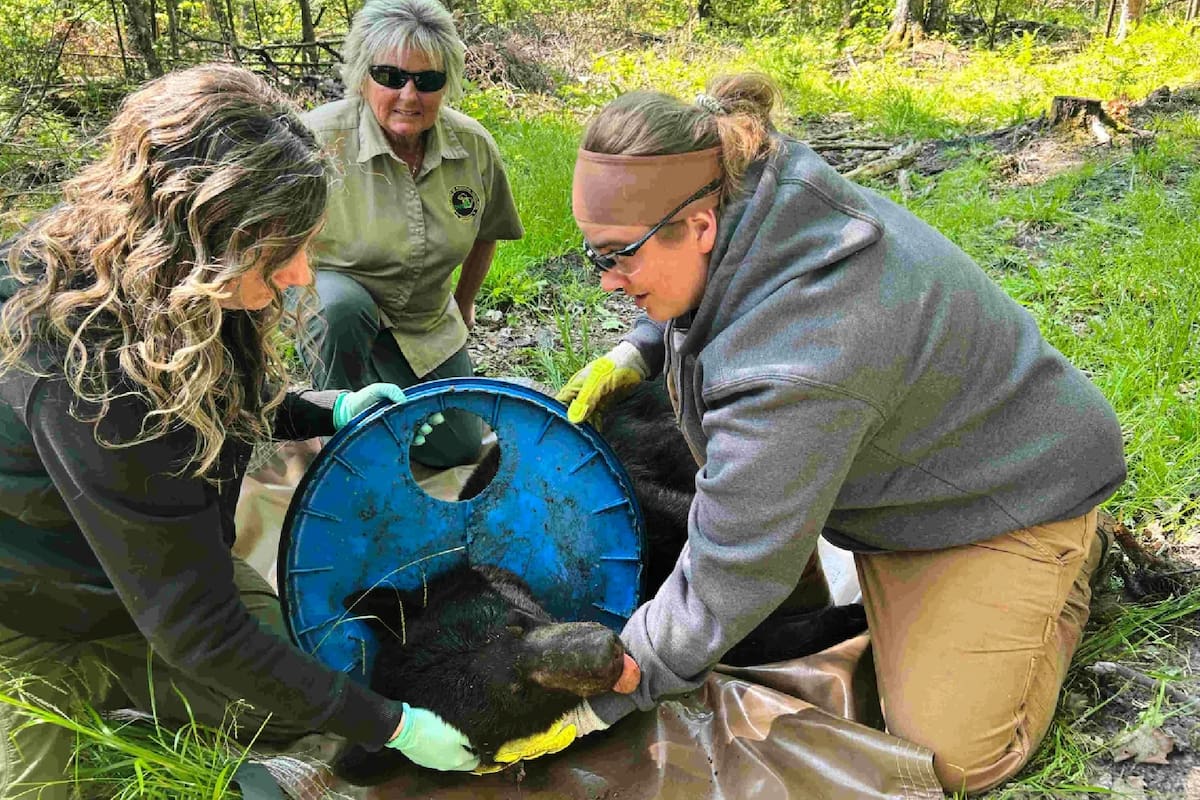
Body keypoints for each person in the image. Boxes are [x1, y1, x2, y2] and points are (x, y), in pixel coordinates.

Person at [545, 74, 1127, 795]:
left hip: (1013, 495)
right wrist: (640, 348)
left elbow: (731, 573)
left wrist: (603, 695)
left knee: (954, 755)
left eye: (618, 255)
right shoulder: (751, 195)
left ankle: (1069, 559)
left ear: (697, 227)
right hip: (923, 460)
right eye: (595, 257)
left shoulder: (800, 356)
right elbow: (716, 296)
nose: (607, 280)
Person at [0, 64, 484, 800]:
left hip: (151, 563)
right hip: (33, 607)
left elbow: (215, 389)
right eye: (281, 254)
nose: (301, 275)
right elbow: (201, 630)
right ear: (205, 241)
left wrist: (327, 409)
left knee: (306, 687)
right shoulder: (91, 379)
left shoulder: (165, 274)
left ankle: (145, 679)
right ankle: (84, 689)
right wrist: (392, 727)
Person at [300, 0, 524, 469]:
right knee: (340, 307)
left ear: (447, 83)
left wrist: (464, 303)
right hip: (337, 311)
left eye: (427, 80)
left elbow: (489, 230)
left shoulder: (473, 146)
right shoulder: (316, 140)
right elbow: (266, 238)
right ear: (362, 76)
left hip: (424, 318)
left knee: (458, 451)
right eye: (390, 76)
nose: (408, 95)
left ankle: (379, 403)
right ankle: (334, 438)